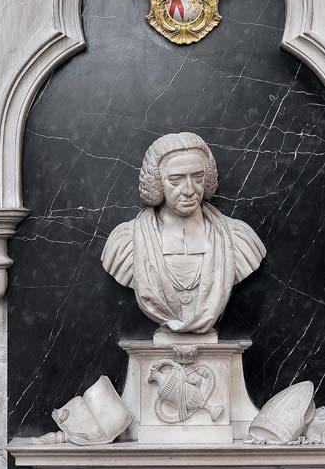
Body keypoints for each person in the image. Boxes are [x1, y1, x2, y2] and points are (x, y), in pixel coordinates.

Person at [101, 132, 266, 334]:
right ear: (157, 182)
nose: (189, 189)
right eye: (176, 179)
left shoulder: (238, 239)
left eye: (197, 177)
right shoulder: (126, 243)